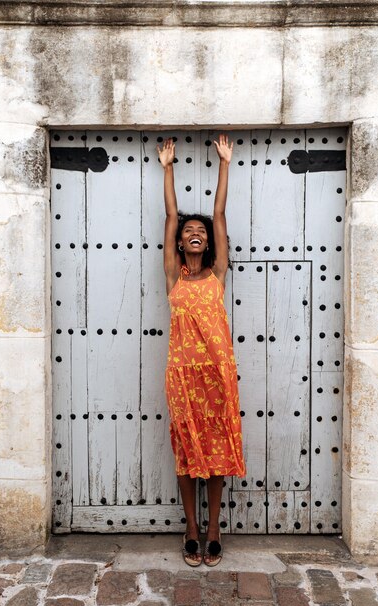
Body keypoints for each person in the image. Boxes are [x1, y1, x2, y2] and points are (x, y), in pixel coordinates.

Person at [157, 134, 246, 567]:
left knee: (216, 452)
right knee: (186, 451)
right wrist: (167, 169)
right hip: (182, 376)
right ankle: (191, 528)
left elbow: (219, 212)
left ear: (208, 244)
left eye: (200, 234)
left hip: (216, 373)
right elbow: (172, 214)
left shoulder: (218, 275)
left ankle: (214, 529)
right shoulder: (174, 277)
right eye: (189, 233)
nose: (195, 234)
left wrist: (224, 163)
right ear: (180, 244)